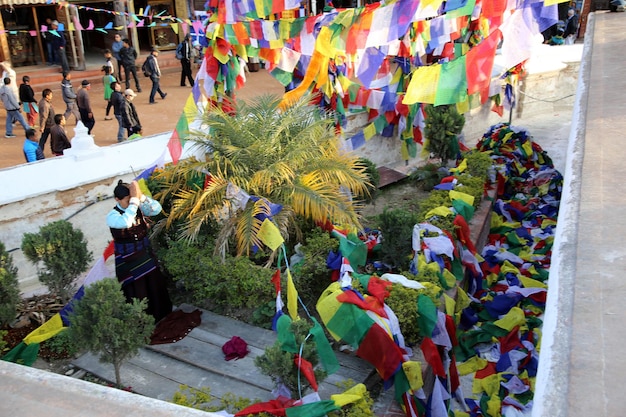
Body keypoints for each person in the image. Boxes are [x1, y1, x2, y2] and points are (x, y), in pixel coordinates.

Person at [106, 179, 172, 322]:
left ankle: (161, 314)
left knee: (154, 283)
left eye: (131, 199)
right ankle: (142, 320)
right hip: (127, 257)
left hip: (144, 253)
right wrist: (134, 202)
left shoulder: (136, 205)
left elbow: (156, 209)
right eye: (126, 200)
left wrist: (141, 197)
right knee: (137, 290)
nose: (130, 203)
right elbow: (126, 222)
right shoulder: (113, 216)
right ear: (117, 199)